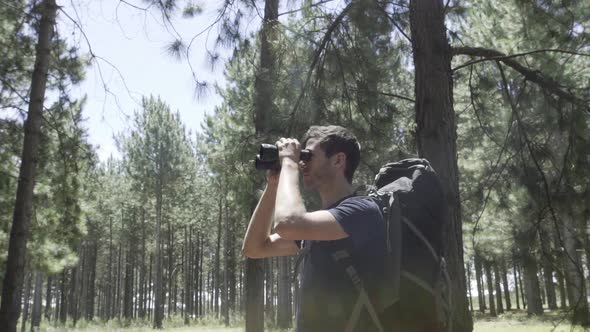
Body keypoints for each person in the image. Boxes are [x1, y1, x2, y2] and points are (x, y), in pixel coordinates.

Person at [242, 125, 388, 332]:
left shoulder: (362, 210)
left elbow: (287, 223)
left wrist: (289, 164)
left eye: (308, 155)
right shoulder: (318, 225)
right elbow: (254, 248)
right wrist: (274, 185)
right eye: (301, 156)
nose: (302, 163)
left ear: (338, 160)